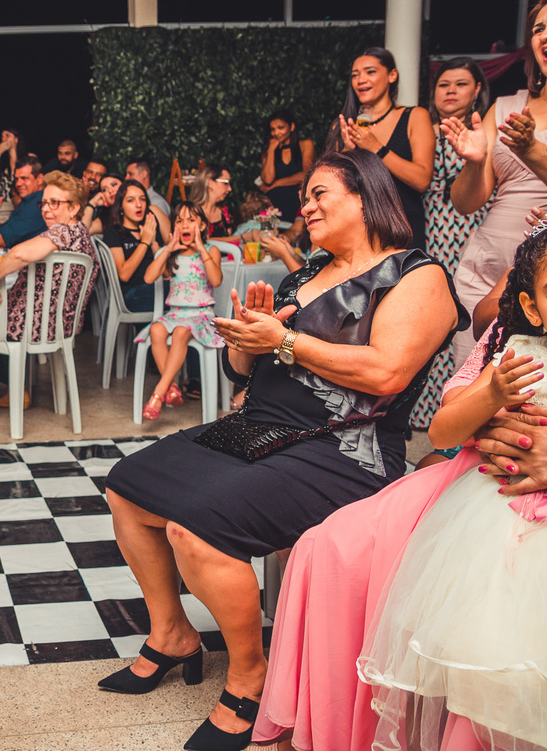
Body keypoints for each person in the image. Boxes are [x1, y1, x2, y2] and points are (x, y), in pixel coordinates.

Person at [98, 150, 464, 751]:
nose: (308, 205)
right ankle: (171, 633)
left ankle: (249, 674)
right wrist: (251, 338)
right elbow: (248, 368)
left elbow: (387, 373)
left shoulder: (415, 276)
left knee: (197, 528)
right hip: (260, 425)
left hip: (343, 449)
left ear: (367, 199)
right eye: (308, 197)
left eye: (322, 194)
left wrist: (286, 339)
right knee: (128, 485)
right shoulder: (305, 273)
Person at [356, 227, 547, 751]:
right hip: (497, 521)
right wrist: (493, 396)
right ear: (531, 306)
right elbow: (443, 431)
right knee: (488, 657)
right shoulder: (517, 355)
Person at [447, 0, 547, 366]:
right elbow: (465, 203)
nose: (545, 36)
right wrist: (474, 164)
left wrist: (532, 149)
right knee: (469, 379)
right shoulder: (506, 106)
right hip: (487, 264)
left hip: (543, 270)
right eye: (539, 28)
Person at [409, 57, 493, 430]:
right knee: (434, 318)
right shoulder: (424, 129)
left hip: (474, 229)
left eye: (460, 84)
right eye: (444, 85)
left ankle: (459, 406)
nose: (451, 91)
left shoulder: (486, 127)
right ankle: (425, 411)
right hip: (432, 232)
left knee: (465, 318)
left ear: (477, 90)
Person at [329, 47, 434, 250]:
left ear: (392, 75)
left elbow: (422, 180)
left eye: (370, 72)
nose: (361, 80)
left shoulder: (414, 116)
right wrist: (348, 154)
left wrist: (377, 148)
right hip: (358, 232)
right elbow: (332, 187)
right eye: (355, 75)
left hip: (403, 229)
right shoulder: (343, 125)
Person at [0, 171, 99, 346]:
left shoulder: (62, 232)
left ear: (74, 208)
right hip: (60, 326)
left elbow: (18, 254)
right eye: (44, 203)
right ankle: (12, 372)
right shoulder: (81, 232)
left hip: (29, 325)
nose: (45, 209)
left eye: (54, 203)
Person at [138, 202, 224, 419]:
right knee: (156, 330)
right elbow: (148, 278)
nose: (185, 224)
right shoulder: (172, 254)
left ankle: (158, 393)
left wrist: (201, 247)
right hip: (175, 313)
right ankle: (172, 387)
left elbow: (216, 279)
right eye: (179, 220)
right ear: (174, 227)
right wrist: (168, 249)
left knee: (180, 332)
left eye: (191, 220)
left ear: (203, 225)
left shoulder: (210, 249)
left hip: (201, 314)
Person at [102, 180, 163, 311]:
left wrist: (153, 242)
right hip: (130, 296)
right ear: (121, 206)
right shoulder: (113, 232)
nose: (138, 205)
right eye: (130, 200)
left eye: (142, 199)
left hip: (156, 288)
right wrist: (144, 242)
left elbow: (165, 273)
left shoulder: (150, 227)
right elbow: (124, 275)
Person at [260, 110, 315, 226]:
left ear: (292, 126)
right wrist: (271, 150)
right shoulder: (268, 150)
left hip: (297, 201)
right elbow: (268, 179)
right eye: (272, 129)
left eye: (280, 127)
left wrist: (275, 184)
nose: (276, 133)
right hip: (274, 205)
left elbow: (306, 175)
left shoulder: (305, 145)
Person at [0, 156, 46, 249]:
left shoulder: (36, 205)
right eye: (16, 179)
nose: (18, 184)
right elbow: (4, 234)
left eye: (24, 178)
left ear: (39, 179)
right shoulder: (30, 200)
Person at [190, 164, 235, 238]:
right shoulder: (192, 212)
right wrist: (241, 237)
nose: (230, 188)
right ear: (210, 183)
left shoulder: (224, 213)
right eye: (225, 183)